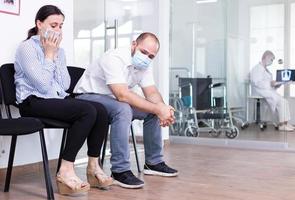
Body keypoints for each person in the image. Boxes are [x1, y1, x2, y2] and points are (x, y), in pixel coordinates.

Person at [14, 5, 113, 195]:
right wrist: (49, 54)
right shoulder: (26, 48)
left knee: (100, 110)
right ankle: (65, 171)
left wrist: (56, 54)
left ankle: (93, 167)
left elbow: (65, 84)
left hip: (54, 100)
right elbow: (42, 86)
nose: (58, 30)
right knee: (87, 111)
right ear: (39, 24)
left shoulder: (60, 50)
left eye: (61, 26)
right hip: (32, 102)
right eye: (53, 25)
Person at [74, 32, 178, 189]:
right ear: (134, 44)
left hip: (112, 100)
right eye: (143, 52)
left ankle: (153, 162)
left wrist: (162, 109)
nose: (146, 57)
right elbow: (122, 95)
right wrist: (158, 108)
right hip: (88, 97)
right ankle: (119, 170)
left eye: (151, 56)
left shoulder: (144, 65)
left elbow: (152, 93)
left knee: (151, 111)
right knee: (123, 109)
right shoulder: (114, 58)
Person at [250, 50, 295, 132]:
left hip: (268, 90)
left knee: (285, 101)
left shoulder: (266, 70)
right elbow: (256, 82)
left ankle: (285, 123)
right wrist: (270, 83)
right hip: (260, 91)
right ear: (266, 57)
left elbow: (270, 85)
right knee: (281, 101)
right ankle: (282, 125)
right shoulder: (257, 68)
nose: (272, 61)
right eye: (271, 59)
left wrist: (277, 84)